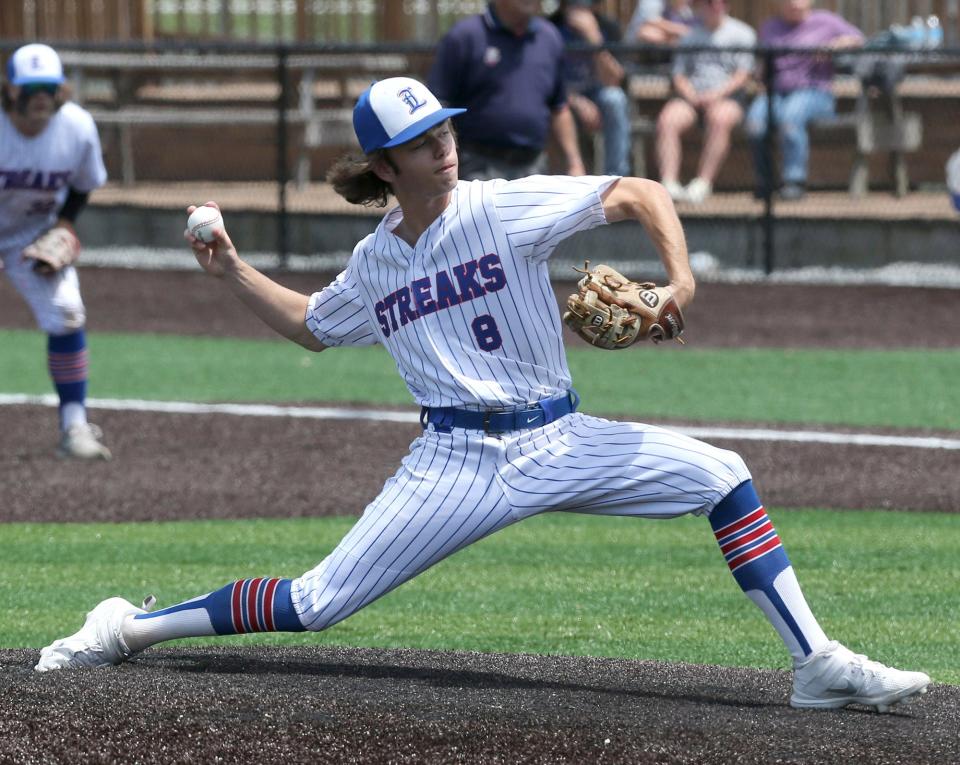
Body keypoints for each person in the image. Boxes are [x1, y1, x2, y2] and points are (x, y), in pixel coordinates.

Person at [35, 76, 931, 715]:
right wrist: (231, 270)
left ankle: (815, 662)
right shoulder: (377, 260)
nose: (446, 146)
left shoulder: (501, 207)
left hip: (561, 437)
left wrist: (679, 285)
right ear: (386, 166)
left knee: (726, 475)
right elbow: (314, 324)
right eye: (425, 143)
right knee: (317, 602)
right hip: (454, 461)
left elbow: (640, 188)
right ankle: (126, 626)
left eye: (445, 131)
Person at [1, 43, 111, 460]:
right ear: (10, 90)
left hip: (33, 234)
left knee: (67, 315)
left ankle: (74, 426)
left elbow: (83, 186)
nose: (41, 96)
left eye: (49, 86)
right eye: (31, 88)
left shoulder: (77, 128)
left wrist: (64, 225)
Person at [428, 0, 586, 180]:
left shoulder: (549, 37)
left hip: (534, 167)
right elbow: (439, 105)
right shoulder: (464, 36)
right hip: (477, 165)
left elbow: (559, 108)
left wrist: (575, 163)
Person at [745, 0, 864, 200]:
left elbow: (858, 39)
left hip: (814, 92)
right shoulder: (769, 27)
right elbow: (761, 68)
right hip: (776, 92)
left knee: (790, 118)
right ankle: (765, 181)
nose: (794, 4)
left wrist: (835, 45)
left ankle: (794, 182)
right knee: (755, 122)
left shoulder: (826, 21)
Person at [655, 0, 756, 204]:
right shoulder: (689, 36)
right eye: (708, 2)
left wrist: (717, 95)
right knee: (667, 119)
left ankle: (702, 183)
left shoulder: (743, 33)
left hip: (728, 98)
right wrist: (691, 95)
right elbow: (679, 75)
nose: (714, 6)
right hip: (691, 98)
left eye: (719, 2)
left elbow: (743, 75)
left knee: (719, 119)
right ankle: (669, 183)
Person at [550, 0, 632, 177]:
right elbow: (544, 82)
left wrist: (594, 38)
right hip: (563, 98)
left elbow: (615, 81)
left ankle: (615, 178)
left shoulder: (608, 27)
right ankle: (566, 178)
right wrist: (575, 101)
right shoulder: (550, 28)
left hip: (598, 96)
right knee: (552, 107)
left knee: (614, 98)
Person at [626, 0, 696, 46]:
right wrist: (682, 31)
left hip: (670, 53)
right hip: (637, 52)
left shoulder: (685, 7)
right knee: (648, 32)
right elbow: (652, 21)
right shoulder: (651, 2)